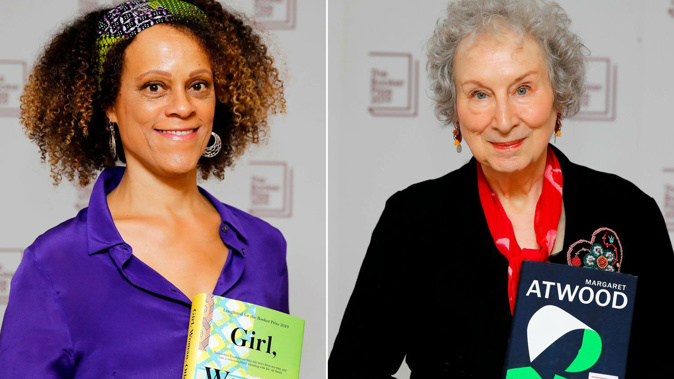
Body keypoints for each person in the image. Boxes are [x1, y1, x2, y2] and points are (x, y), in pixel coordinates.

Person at [329, 0, 674, 377]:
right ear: (455, 107)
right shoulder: (412, 221)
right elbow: (353, 370)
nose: (504, 120)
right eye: (480, 94)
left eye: (522, 89)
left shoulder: (628, 213)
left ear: (557, 95)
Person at [0, 0, 287, 377]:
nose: (183, 107)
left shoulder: (264, 247)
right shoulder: (55, 264)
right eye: (155, 87)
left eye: (198, 85)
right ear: (109, 105)